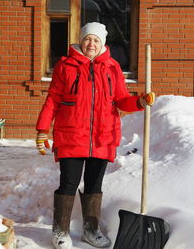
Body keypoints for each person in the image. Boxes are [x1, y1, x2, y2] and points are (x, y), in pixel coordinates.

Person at [35, 22, 155, 249]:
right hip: (71, 135)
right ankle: (60, 232)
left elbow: (122, 99)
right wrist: (42, 129)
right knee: (68, 183)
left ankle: (91, 230)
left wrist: (139, 101)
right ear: (81, 40)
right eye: (88, 39)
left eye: (96, 40)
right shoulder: (65, 65)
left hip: (103, 136)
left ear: (103, 43)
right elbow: (53, 99)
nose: (91, 43)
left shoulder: (112, 67)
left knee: (94, 185)